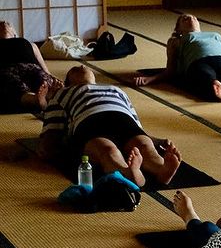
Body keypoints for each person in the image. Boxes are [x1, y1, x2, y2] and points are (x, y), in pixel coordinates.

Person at [40, 64, 181, 189]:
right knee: (107, 150)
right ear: (68, 83)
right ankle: (127, 172)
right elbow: (51, 136)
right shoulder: (62, 94)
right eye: (74, 69)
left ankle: (161, 169)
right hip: (89, 121)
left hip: (121, 118)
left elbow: (137, 124)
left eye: (85, 67)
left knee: (143, 145)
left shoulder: (116, 89)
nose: (82, 66)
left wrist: (157, 141)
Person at [0, 20, 58, 112]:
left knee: (41, 79)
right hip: (7, 70)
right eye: (0, 25)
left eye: (7, 24)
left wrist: (50, 76)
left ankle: (50, 95)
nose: (4, 24)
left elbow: (43, 67)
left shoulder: (29, 44)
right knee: (11, 84)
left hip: (31, 68)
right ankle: (35, 100)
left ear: (14, 33)